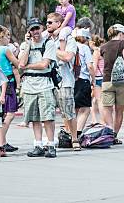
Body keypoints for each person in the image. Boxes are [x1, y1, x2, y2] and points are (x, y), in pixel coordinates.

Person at [18, 17, 58, 158]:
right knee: (34, 118)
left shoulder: (49, 43)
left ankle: (51, 145)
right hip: (29, 86)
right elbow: (20, 64)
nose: (35, 31)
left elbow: (44, 64)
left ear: (42, 28)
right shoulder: (25, 45)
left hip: (44, 84)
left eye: (37, 28)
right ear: (28, 31)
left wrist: (28, 66)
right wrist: (28, 44)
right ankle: (38, 145)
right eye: (32, 29)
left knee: (48, 117)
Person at [47, 13, 81, 151]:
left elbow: (67, 56)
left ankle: (74, 139)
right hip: (48, 82)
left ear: (59, 24)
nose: (47, 24)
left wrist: (52, 50)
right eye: (47, 22)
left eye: (50, 22)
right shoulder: (45, 38)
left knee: (68, 112)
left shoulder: (68, 39)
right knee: (48, 114)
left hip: (64, 81)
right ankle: (50, 141)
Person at [100, 24, 124, 145]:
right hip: (121, 81)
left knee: (107, 108)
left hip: (106, 80)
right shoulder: (123, 44)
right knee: (119, 110)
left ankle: (109, 131)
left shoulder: (103, 46)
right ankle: (114, 135)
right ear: (121, 33)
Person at [0, 25, 20, 152]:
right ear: (1, 37)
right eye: (7, 35)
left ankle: (3, 141)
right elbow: (17, 63)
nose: (9, 38)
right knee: (10, 113)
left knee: (3, 113)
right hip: (8, 81)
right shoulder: (5, 49)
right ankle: (1, 142)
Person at [74, 28, 95, 132]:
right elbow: (90, 66)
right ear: (86, 38)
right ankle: (77, 132)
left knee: (75, 108)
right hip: (83, 79)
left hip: (72, 80)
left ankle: (70, 132)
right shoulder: (85, 48)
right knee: (85, 108)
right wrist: (93, 80)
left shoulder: (71, 46)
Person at [90, 35, 106, 125]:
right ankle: (97, 119)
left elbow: (94, 67)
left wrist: (91, 78)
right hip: (104, 77)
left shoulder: (96, 52)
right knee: (96, 100)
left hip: (97, 78)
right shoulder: (104, 51)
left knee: (98, 100)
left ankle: (98, 120)